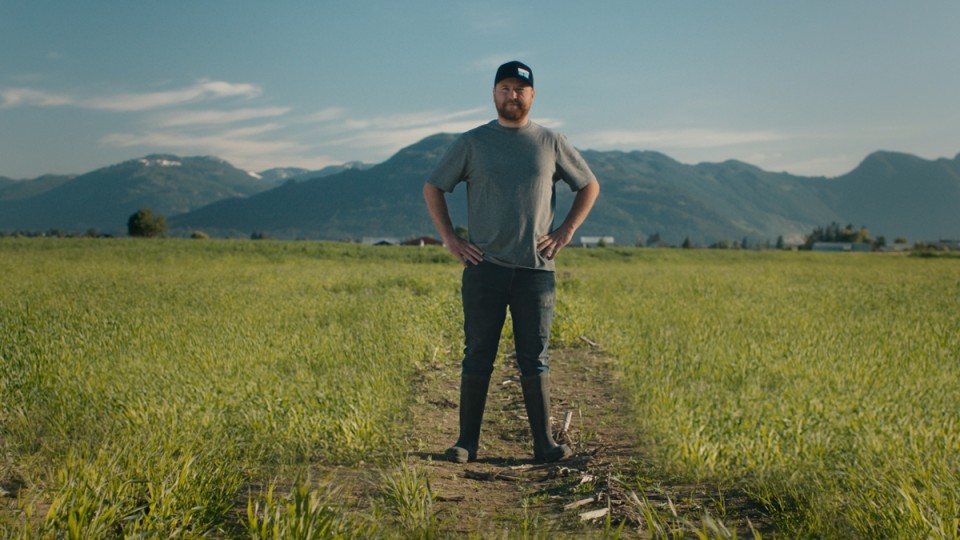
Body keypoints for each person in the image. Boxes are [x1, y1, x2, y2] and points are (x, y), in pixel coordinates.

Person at [423, 60, 600, 463]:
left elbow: (588, 185)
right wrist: (451, 239)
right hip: (484, 268)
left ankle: (544, 444)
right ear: (494, 94)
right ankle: (466, 442)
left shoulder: (551, 142)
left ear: (532, 96)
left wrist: (566, 232)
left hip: (536, 272)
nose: (512, 95)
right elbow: (434, 186)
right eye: (504, 87)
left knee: (533, 357)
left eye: (520, 89)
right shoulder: (472, 143)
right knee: (477, 352)